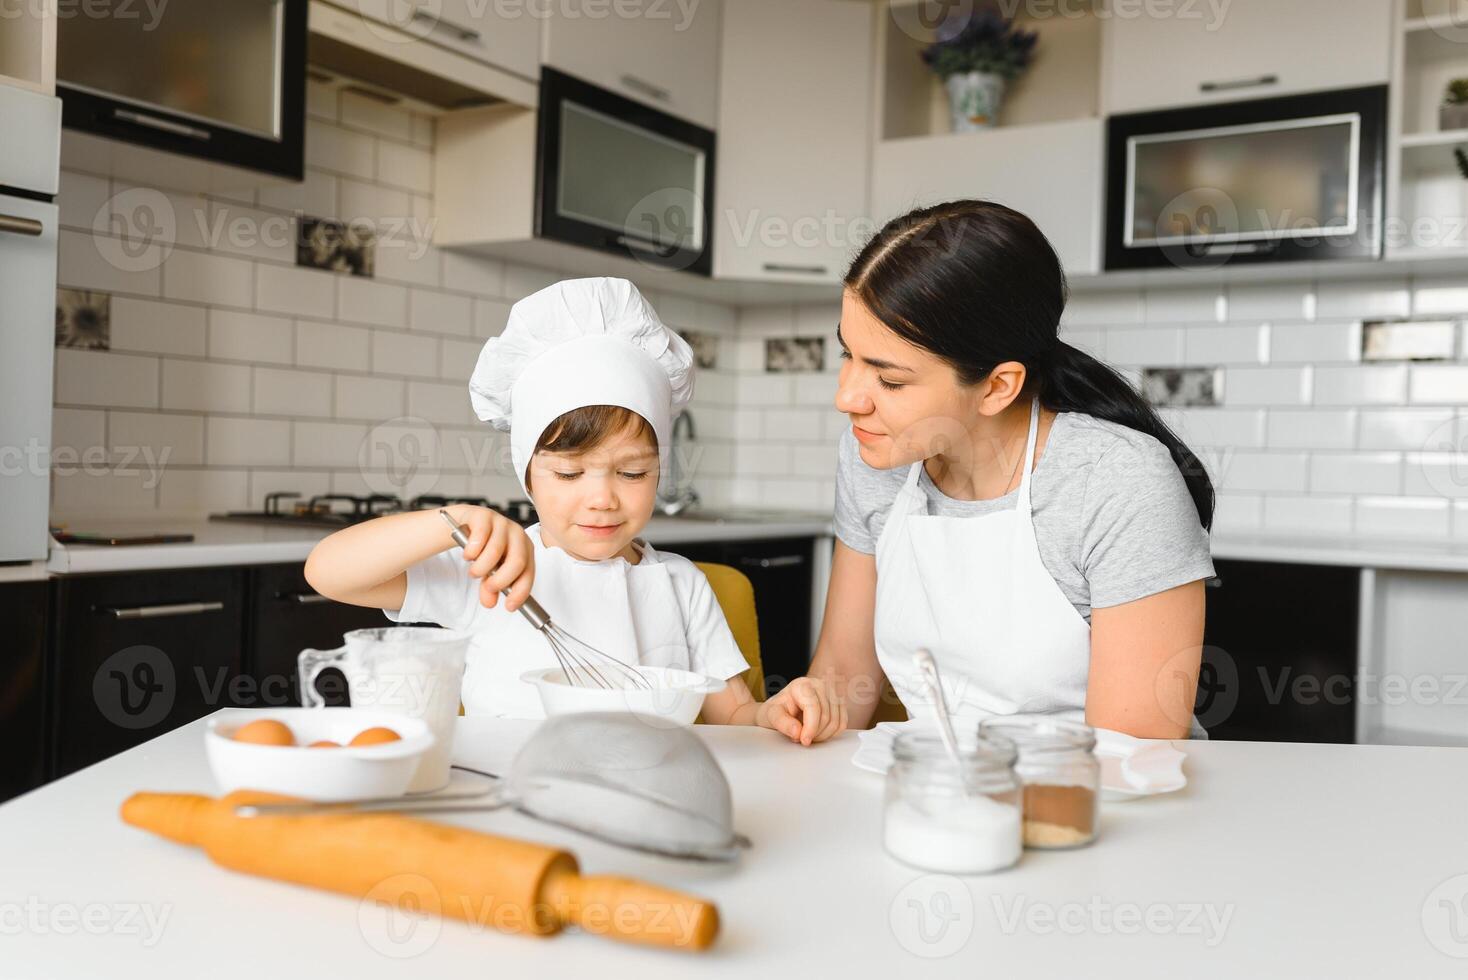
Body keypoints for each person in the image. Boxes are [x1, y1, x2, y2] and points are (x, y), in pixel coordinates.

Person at [305, 277, 844, 743]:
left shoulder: (681, 585)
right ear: (528, 475)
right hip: (511, 798)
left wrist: (773, 713)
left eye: (632, 473)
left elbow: (732, 717)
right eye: (568, 474)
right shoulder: (488, 572)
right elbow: (329, 573)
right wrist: (451, 522)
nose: (602, 497)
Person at [807, 200, 1217, 739]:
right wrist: (809, 710)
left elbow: (1132, 750)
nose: (847, 398)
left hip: (1097, 802)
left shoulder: (1115, 481)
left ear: (998, 386)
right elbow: (845, 674)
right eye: (848, 354)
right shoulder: (875, 456)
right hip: (939, 790)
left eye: (890, 381)